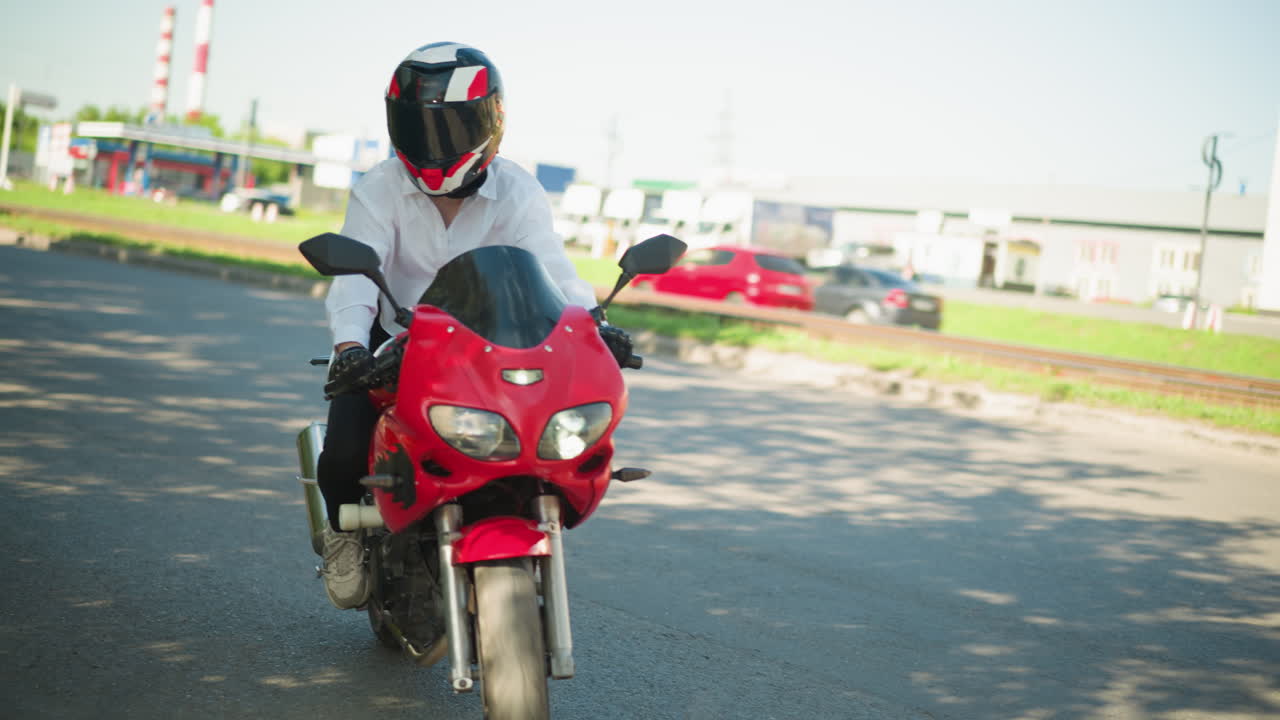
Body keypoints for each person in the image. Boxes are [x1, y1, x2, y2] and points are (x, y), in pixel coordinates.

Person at [316, 41, 634, 609]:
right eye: (421, 127)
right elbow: (356, 274)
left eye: (453, 126)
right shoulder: (379, 188)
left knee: (526, 441)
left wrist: (592, 325)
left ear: (490, 121)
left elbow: (553, 266)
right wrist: (348, 345)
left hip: (485, 343)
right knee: (342, 451)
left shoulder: (518, 190)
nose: (436, 144)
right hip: (392, 339)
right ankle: (343, 535)